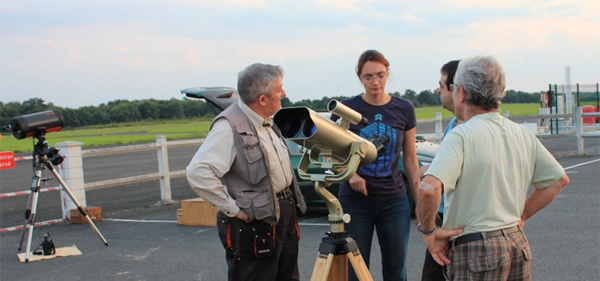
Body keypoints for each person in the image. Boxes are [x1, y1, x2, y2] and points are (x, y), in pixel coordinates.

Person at [416, 56, 570, 280]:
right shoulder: (522, 133)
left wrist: (429, 232)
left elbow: (428, 189)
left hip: (475, 251)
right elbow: (558, 180)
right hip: (517, 243)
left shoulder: (461, 135)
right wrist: (522, 215)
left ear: (462, 92)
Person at [186, 63, 307, 281]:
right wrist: (233, 209)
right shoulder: (228, 127)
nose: (284, 93)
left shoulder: (267, 120)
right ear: (262, 99)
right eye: (279, 89)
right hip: (253, 224)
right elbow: (198, 172)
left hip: (283, 214)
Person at [330, 49, 420, 281]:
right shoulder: (345, 109)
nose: (375, 81)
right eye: (368, 76)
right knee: (355, 270)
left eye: (380, 75)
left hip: (395, 201)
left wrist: (419, 201)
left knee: (396, 270)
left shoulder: (404, 108)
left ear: (388, 73)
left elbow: (410, 158)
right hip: (355, 201)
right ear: (359, 77)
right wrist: (350, 175)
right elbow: (331, 153)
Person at [419, 59, 460, 281]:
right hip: (444, 216)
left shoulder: (463, 130)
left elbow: (430, 189)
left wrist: (427, 230)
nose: (438, 90)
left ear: (455, 89)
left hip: (452, 223)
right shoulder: (454, 123)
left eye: (441, 85)